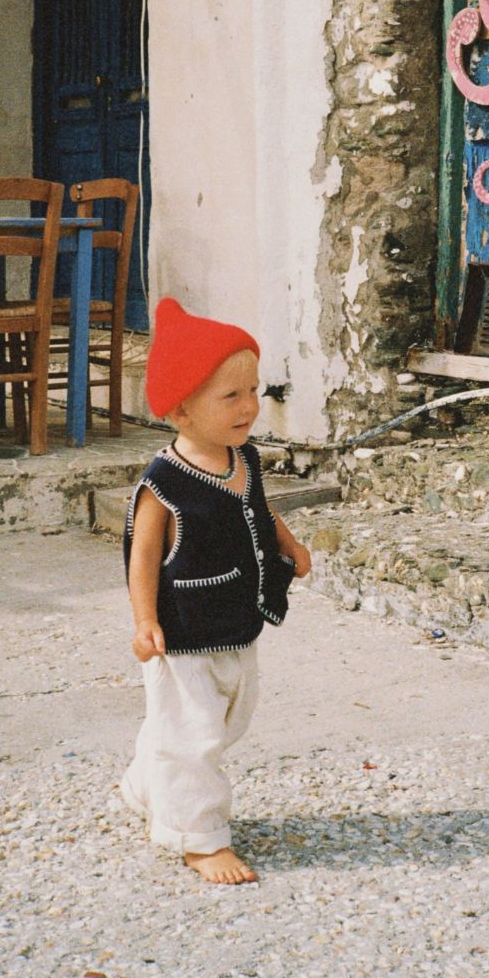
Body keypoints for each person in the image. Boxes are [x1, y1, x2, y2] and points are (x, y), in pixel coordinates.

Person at [120, 297, 312, 884]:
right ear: (181, 412)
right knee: (194, 734)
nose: (250, 406)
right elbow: (143, 555)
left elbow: (257, 509)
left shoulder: (243, 459)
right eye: (230, 396)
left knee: (226, 719)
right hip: (183, 630)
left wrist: (290, 545)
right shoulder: (163, 485)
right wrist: (145, 619)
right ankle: (199, 837)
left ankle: (146, 784)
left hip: (235, 617)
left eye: (253, 390)